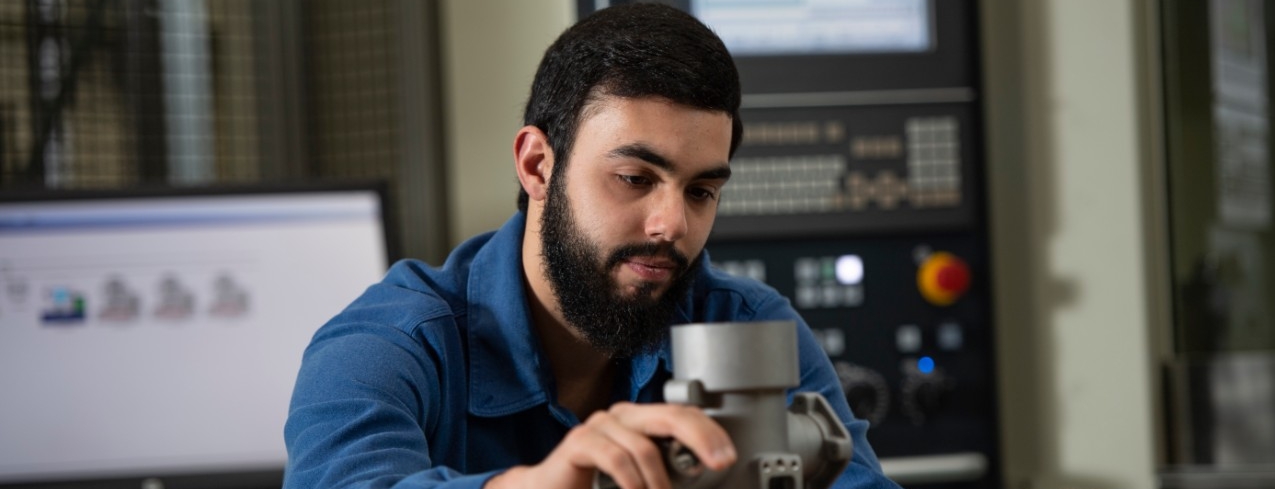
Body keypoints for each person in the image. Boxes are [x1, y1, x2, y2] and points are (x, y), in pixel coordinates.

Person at [283, 4, 900, 489]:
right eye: (635, 179)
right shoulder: (391, 345)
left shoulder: (744, 325)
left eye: (702, 191)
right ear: (538, 165)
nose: (672, 225)